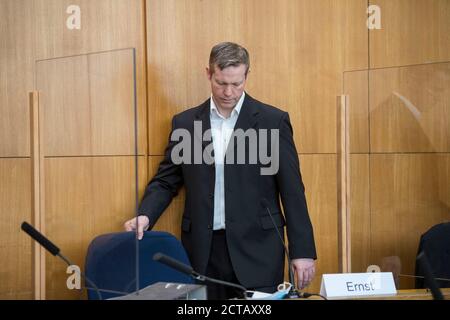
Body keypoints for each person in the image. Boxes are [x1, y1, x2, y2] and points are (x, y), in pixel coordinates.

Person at [124, 42, 317, 300]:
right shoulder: (186, 123)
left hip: (258, 250)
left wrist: (302, 251)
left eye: (236, 84)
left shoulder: (273, 121)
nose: (228, 92)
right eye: (220, 83)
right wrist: (145, 215)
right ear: (208, 73)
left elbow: (292, 190)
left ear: (247, 75)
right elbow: (166, 181)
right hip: (204, 253)